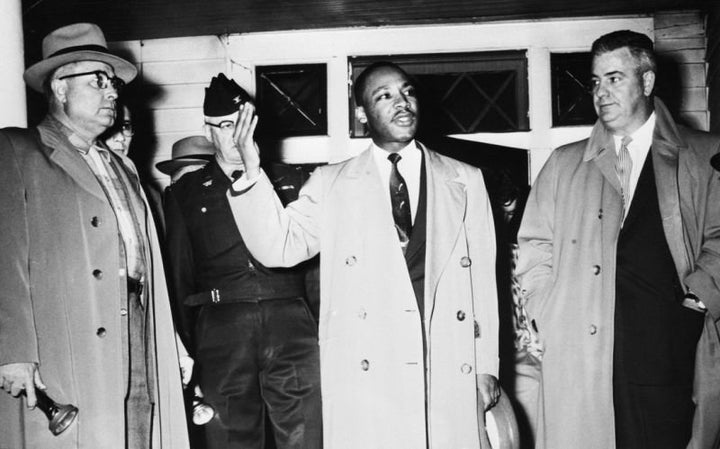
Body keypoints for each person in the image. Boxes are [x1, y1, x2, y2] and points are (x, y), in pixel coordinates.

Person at [228, 61, 500, 449]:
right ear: (362, 114)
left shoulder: (465, 179)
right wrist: (251, 169)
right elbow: (279, 246)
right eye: (384, 95)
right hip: (370, 372)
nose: (402, 103)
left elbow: (484, 285)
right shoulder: (332, 183)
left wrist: (487, 366)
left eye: (407, 92)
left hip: (445, 362)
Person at [516, 30, 720, 449]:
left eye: (614, 79)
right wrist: (544, 311)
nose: (601, 92)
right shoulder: (563, 163)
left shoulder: (703, 154)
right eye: (595, 81)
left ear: (646, 82)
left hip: (667, 349)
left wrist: (696, 301)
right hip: (583, 354)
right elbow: (535, 247)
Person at [0, 23, 190, 448]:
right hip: (68, 337)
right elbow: (4, 256)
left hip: (136, 323)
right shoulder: (18, 151)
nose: (113, 93)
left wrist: (170, 339)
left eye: (114, 84)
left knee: (138, 431)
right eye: (98, 81)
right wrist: (12, 351)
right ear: (60, 88)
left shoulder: (123, 167)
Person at [163, 73, 322, 449]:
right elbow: (180, 276)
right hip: (222, 329)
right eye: (225, 126)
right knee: (231, 437)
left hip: (292, 324)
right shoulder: (185, 193)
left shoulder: (294, 181)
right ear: (207, 128)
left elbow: (314, 270)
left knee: (306, 434)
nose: (236, 137)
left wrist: (318, 325)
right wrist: (188, 347)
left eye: (243, 125)